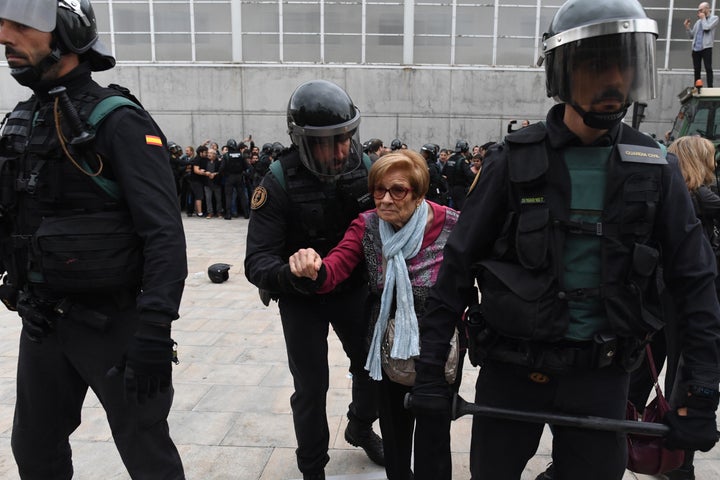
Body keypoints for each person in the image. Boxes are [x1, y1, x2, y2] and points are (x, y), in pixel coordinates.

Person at [410, 2, 720, 480]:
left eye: (623, 62)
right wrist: (432, 369)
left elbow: (695, 281)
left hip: (602, 375)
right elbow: (455, 268)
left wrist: (699, 392)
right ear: (564, 72)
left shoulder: (657, 169)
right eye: (598, 63)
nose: (613, 77)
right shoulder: (508, 162)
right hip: (512, 371)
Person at [0, 1, 188, 479]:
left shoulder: (117, 120)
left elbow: (164, 233)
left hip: (115, 327)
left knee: (147, 453)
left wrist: (154, 330)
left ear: (65, 35)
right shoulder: (25, 118)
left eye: (21, 25)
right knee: (34, 451)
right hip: (43, 323)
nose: (4, 36)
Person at [288, 150, 460, 480]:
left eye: (397, 190)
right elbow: (335, 267)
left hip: (439, 346)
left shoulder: (452, 224)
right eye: (378, 190)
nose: (385, 199)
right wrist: (314, 268)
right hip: (387, 344)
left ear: (419, 192)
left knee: (434, 436)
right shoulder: (367, 226)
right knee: (395, 434)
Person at [244, 79, 383, 480]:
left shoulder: (368, 170)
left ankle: (360, 426)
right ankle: (312, 469)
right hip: (301, 298)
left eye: (345, 138)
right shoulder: (278, 179)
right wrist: (290, 271)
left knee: (373, 370)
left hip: (353, 290)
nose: (340, 151)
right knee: (310, 388)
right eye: (327, 142)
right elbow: (256, 261)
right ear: (303, 142)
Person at [627, 135, 720, 480]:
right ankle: (681, 463)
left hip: (658, 298)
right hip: (688, 302)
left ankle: (622, 438)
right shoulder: (701, 199)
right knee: (683, 378)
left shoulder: (666, 195)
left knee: (640, 373)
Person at [685, 2, 719, 88]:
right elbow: (692, 36)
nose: (699, 12)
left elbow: (707, 28)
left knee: (708, 68)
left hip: (706, 48)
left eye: (701, 10)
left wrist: (703, 18)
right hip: (696, 49)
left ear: (707, 9)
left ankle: (710, 87)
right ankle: (697, 87)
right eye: (698, 10)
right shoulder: (698, 22)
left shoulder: (714, 18)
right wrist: (687, 27)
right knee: (697, 70)